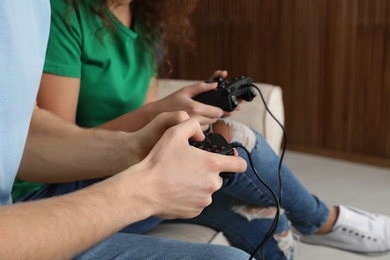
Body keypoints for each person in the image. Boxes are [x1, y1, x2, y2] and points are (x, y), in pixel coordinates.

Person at [12, 0, 390, 259]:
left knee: (263, 215)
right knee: (233, 138)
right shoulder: (62, 14)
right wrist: (159, 115)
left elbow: (140, 112)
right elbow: (57, 145)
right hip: (57, 184)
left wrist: (173, 112)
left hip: (115, 162)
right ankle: (323, 220)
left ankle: (316, 220)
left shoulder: (146, 22)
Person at [0, 1, 251, 259]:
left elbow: (23, 138)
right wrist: (144, 191)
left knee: (245, 207)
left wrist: (135, 147)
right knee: (239, 146)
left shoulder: (30, 7)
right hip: (30, 218)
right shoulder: (62, 13)